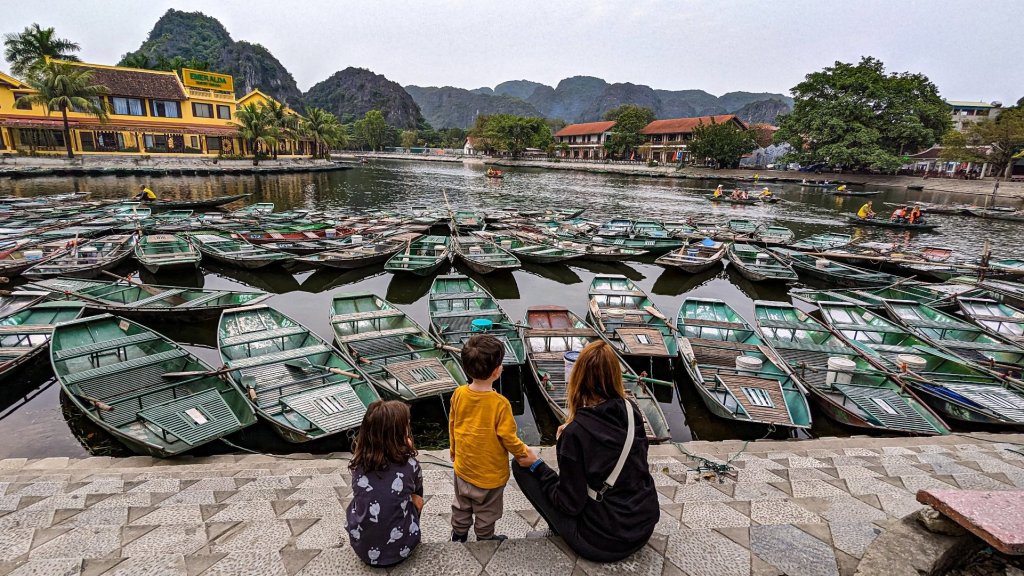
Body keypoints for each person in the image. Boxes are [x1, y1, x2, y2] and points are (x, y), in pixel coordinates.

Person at [513, 341, 659, 562]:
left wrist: (539, 465)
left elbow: (569, 504)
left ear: (578, 376)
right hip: (642, 525)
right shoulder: (632, 410)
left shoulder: (575, 435)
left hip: (604, 542)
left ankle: (558, 530)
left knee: (521, 466)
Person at [449, 334, 531, 543]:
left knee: (461, 504)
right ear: (496, 371)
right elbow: (508, 438)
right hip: (490, 474)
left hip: (463, 467)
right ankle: (485, 538)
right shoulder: (500, 404)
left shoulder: (458, 393)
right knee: (487, 511)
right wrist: (523, 454)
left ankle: (458, 534)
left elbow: (453, 424)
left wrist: (453, 450)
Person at [346, 400, 424, 568]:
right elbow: (417, 490)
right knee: (416, 498)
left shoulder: (358, 465)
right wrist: (408, 452)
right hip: (401, 551)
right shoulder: (411, 465)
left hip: (363, 549)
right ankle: (408, 530)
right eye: (406, 427)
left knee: (358, 501)